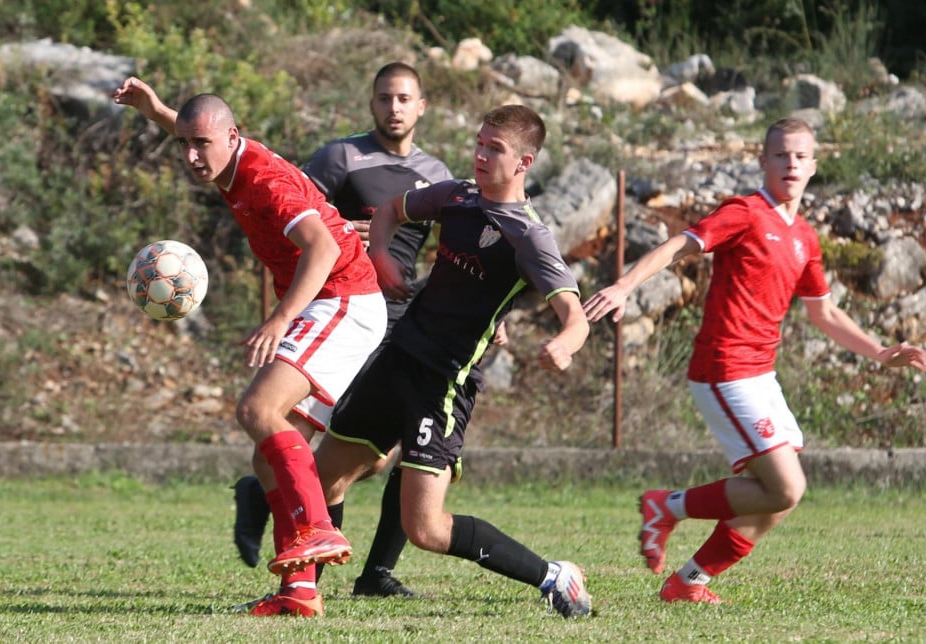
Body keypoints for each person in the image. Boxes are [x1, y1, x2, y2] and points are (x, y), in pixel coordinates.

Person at [582, 117, 926, 604]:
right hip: (724, 368)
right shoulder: (745, 213)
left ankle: (688, 582)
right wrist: (623, 285)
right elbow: (682, 244)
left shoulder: (804, 237)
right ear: (763, 161)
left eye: (800, 156)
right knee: (786, 486)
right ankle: (667, 507)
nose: (791, 163)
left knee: (776, 499)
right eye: (781, 155)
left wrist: (879, 352)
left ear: (813, 165)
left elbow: (824, 311)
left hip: (760, 375)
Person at [113, 78, 388, 618]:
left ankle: (318, 529)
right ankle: (300, 593)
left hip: (342, 298)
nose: (193, 156)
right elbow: (197, 132)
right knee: (269, 465)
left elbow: (324, 246)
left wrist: (279, 319)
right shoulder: (224, 156)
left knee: (257, 409)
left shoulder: (263, 180)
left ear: (232, 136)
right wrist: (155, 110)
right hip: (332, 301)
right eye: (184, 145)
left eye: (202, 145)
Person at [310, 104, 594, 619]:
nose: (481, 155)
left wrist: (565, 344)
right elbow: (392, 210)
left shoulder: (528, 235)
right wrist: (382, 260)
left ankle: (554, 576)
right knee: (321, 477)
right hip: (396, 358)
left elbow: (575, 315)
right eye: (480, 142)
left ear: (524, 162)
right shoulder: (458, 195)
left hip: (443, 382)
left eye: (495, 149)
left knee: (427, 530)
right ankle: (302, 595)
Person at [231, 61, 457, 598]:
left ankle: (370, 571)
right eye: (384, 98)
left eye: (404, 98)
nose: (393, 107)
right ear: (371, 102)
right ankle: (308, 568)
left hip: (405, 323)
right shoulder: (341, 157)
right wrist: (343, 227)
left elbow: (455, 250)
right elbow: (297, 210)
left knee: (393, 450)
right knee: (338, 443)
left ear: (421, 106)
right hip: (348, 309)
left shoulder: (437, 173)